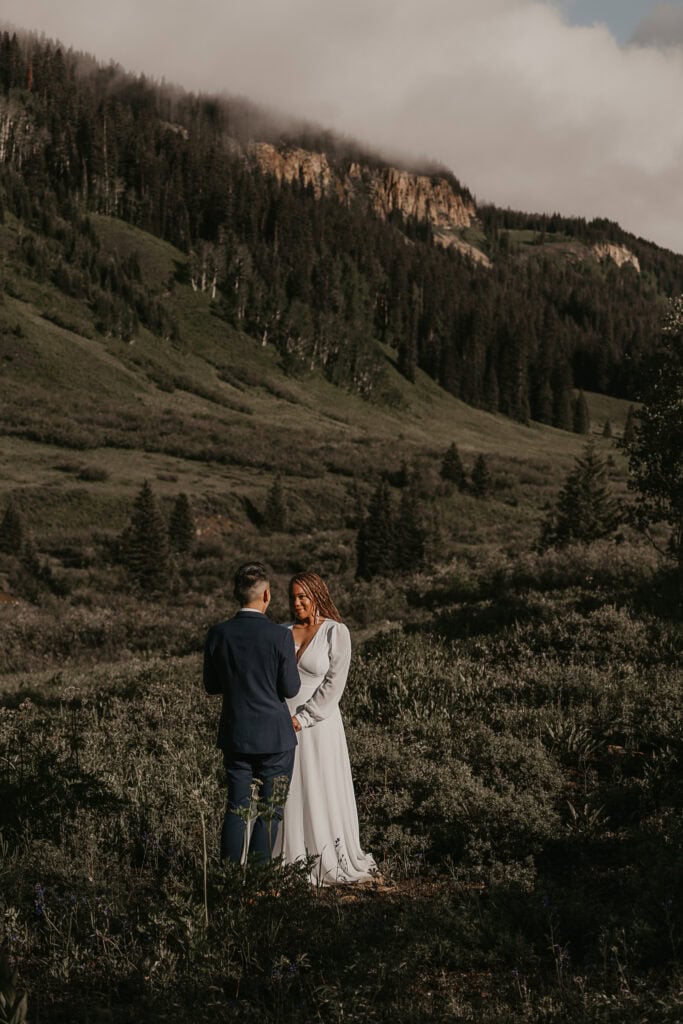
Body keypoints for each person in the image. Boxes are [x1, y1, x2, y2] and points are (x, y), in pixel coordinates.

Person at [274, 571, 377, 885]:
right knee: (288, 790)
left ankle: (326, 857)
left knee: (320, 786)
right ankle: (289, 859)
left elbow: (334, 684)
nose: (297, 603)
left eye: (303, 596)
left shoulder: (336, 632)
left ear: (317, 595)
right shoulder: (281, 632)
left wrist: (304, 718)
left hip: (318, 724)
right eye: (293, 597)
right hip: (281, 722)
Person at [203, 561, 301, 862]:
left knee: (236, 806)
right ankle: (258, 880)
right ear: (267, 595)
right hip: (275, 738)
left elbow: (211, 685)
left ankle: (229, 877)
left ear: (236, 593)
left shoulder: (218, 634)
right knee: (270, 809)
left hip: (236, 735)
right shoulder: (280, 636)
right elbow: (291, 689)